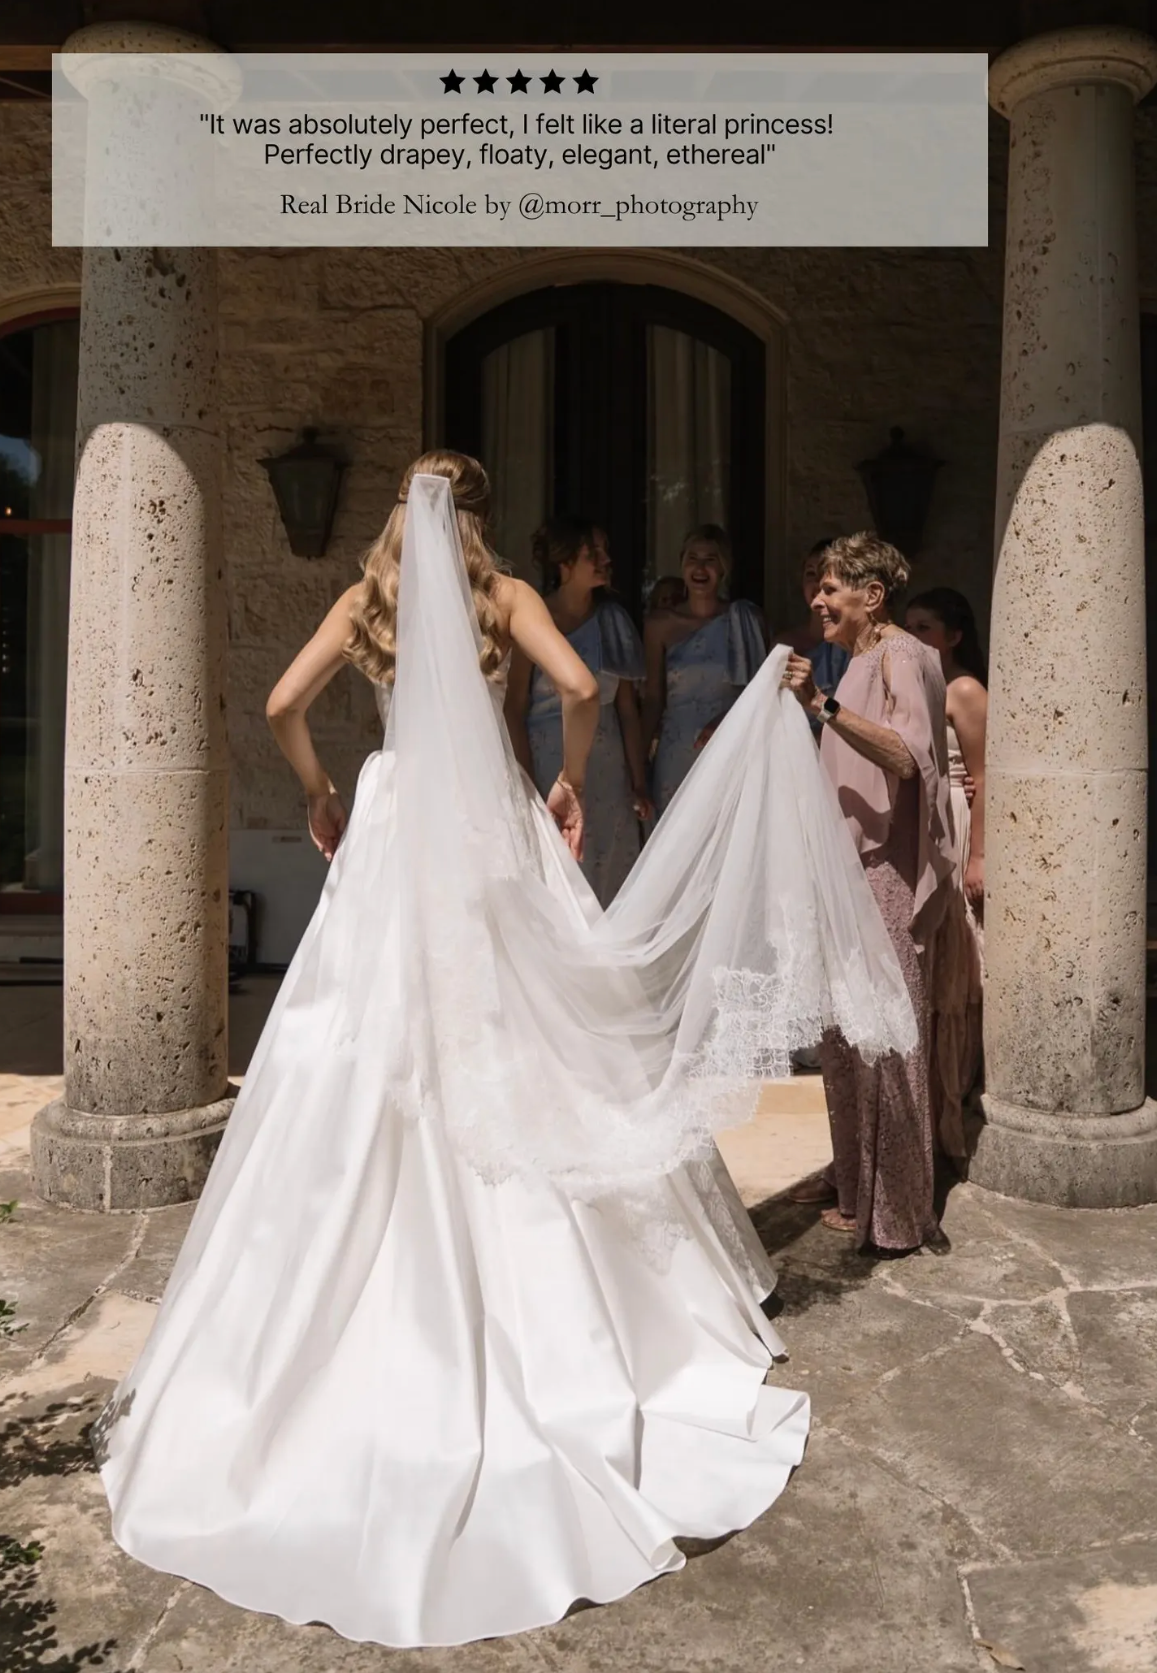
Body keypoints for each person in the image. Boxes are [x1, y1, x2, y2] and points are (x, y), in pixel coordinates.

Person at [97, 455, 917, 1647]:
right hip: (485, 819)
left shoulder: (366, 595)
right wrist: (567, 779)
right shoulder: (504, 595)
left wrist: (327, 793)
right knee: (531, 1042)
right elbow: (582, 683)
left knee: (363, 1055)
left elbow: (280, 702)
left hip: (391, 826)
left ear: (399, 513)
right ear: (473, 519)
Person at [782, 533, 954, 1253]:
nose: (817, 602)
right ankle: (855, 1184)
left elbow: (907, 759)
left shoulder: (901, 658)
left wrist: (820, 705)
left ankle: (899, 1211)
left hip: (881, 870)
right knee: (844, 1036)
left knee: (885, 1035)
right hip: (840, 870)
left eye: (828, 589)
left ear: (871, 596)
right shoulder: (853, 662)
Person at [505, 517, 652, 905]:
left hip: (607, 767)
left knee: (608, 870)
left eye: (606, 552)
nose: (606, 560)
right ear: (564, 563)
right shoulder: (532, 620)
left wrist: (638, 782)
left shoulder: (614, 621)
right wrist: (526, 786)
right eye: (593, 554)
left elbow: (627, 710)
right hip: (548, 761)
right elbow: (514, 708)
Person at [905, 586, 987, 1164]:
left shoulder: (964, 690)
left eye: (925, 628)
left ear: (954, 636)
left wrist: (978, 856)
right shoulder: (916, 686)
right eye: (909, 627)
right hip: (924, 828)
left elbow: (986, 778)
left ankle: (954, 1108)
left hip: (958, 827)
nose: (915, 639)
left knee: (959, 965)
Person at [643, 526, 768, 812]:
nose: (700, 567)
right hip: (676, 753)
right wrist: (638, 766)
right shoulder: (659, 625)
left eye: (710, 559)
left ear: (724, 567)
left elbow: (763, 691)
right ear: (682, 563)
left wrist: (725, 721)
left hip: (730, 746)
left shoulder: (746, 618)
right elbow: (652, 698)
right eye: (693, 558)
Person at [778, 538, 851, 712]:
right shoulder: (784, 644)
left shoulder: (851, 646)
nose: (818, 582)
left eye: (827, 574)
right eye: (811, 573)